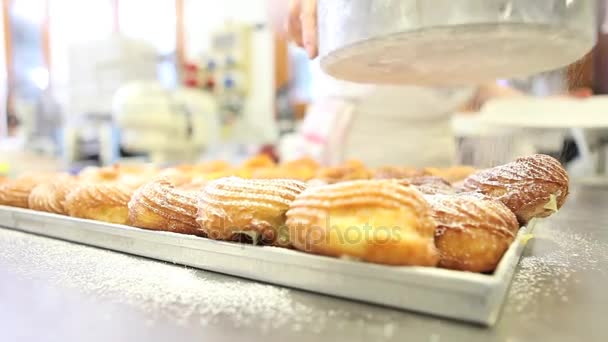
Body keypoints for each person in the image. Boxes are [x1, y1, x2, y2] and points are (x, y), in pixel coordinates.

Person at [286, 0, 524, 168]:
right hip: (353, 140)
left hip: (433, 150)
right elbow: (285, 22)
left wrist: (534, 107)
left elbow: (462, 67)